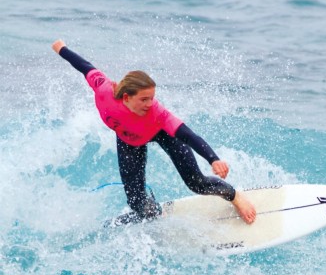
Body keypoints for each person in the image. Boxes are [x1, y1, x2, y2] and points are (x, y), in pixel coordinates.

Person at [51, 39, 256, 225]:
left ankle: (235, 196)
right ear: (126, 97)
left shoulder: (157, 114)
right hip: (130, 139)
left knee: (197, 183)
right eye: (144, 99)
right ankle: (154, 214)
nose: (151, 103)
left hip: (160, 133)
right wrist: (61, 49)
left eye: (152, 98)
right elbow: (84, 67)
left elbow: (188, 135)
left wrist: (213, 159)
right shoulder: (104, 92)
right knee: (136, 202)